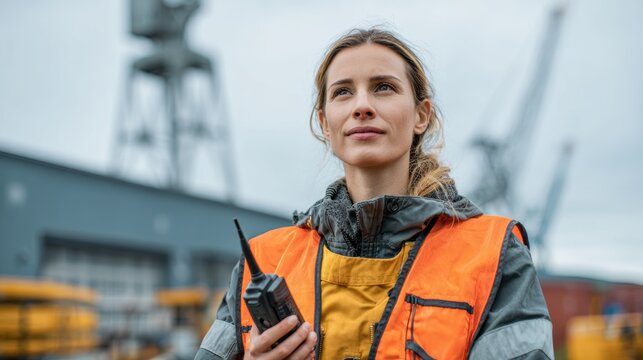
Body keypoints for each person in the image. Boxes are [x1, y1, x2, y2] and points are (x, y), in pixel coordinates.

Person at [196, 28, 553, 360]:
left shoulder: (494, 255)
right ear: (325, 123)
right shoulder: (262, 260)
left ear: (421, 116)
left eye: (383, 87)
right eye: (343, 92)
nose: (362, 106)